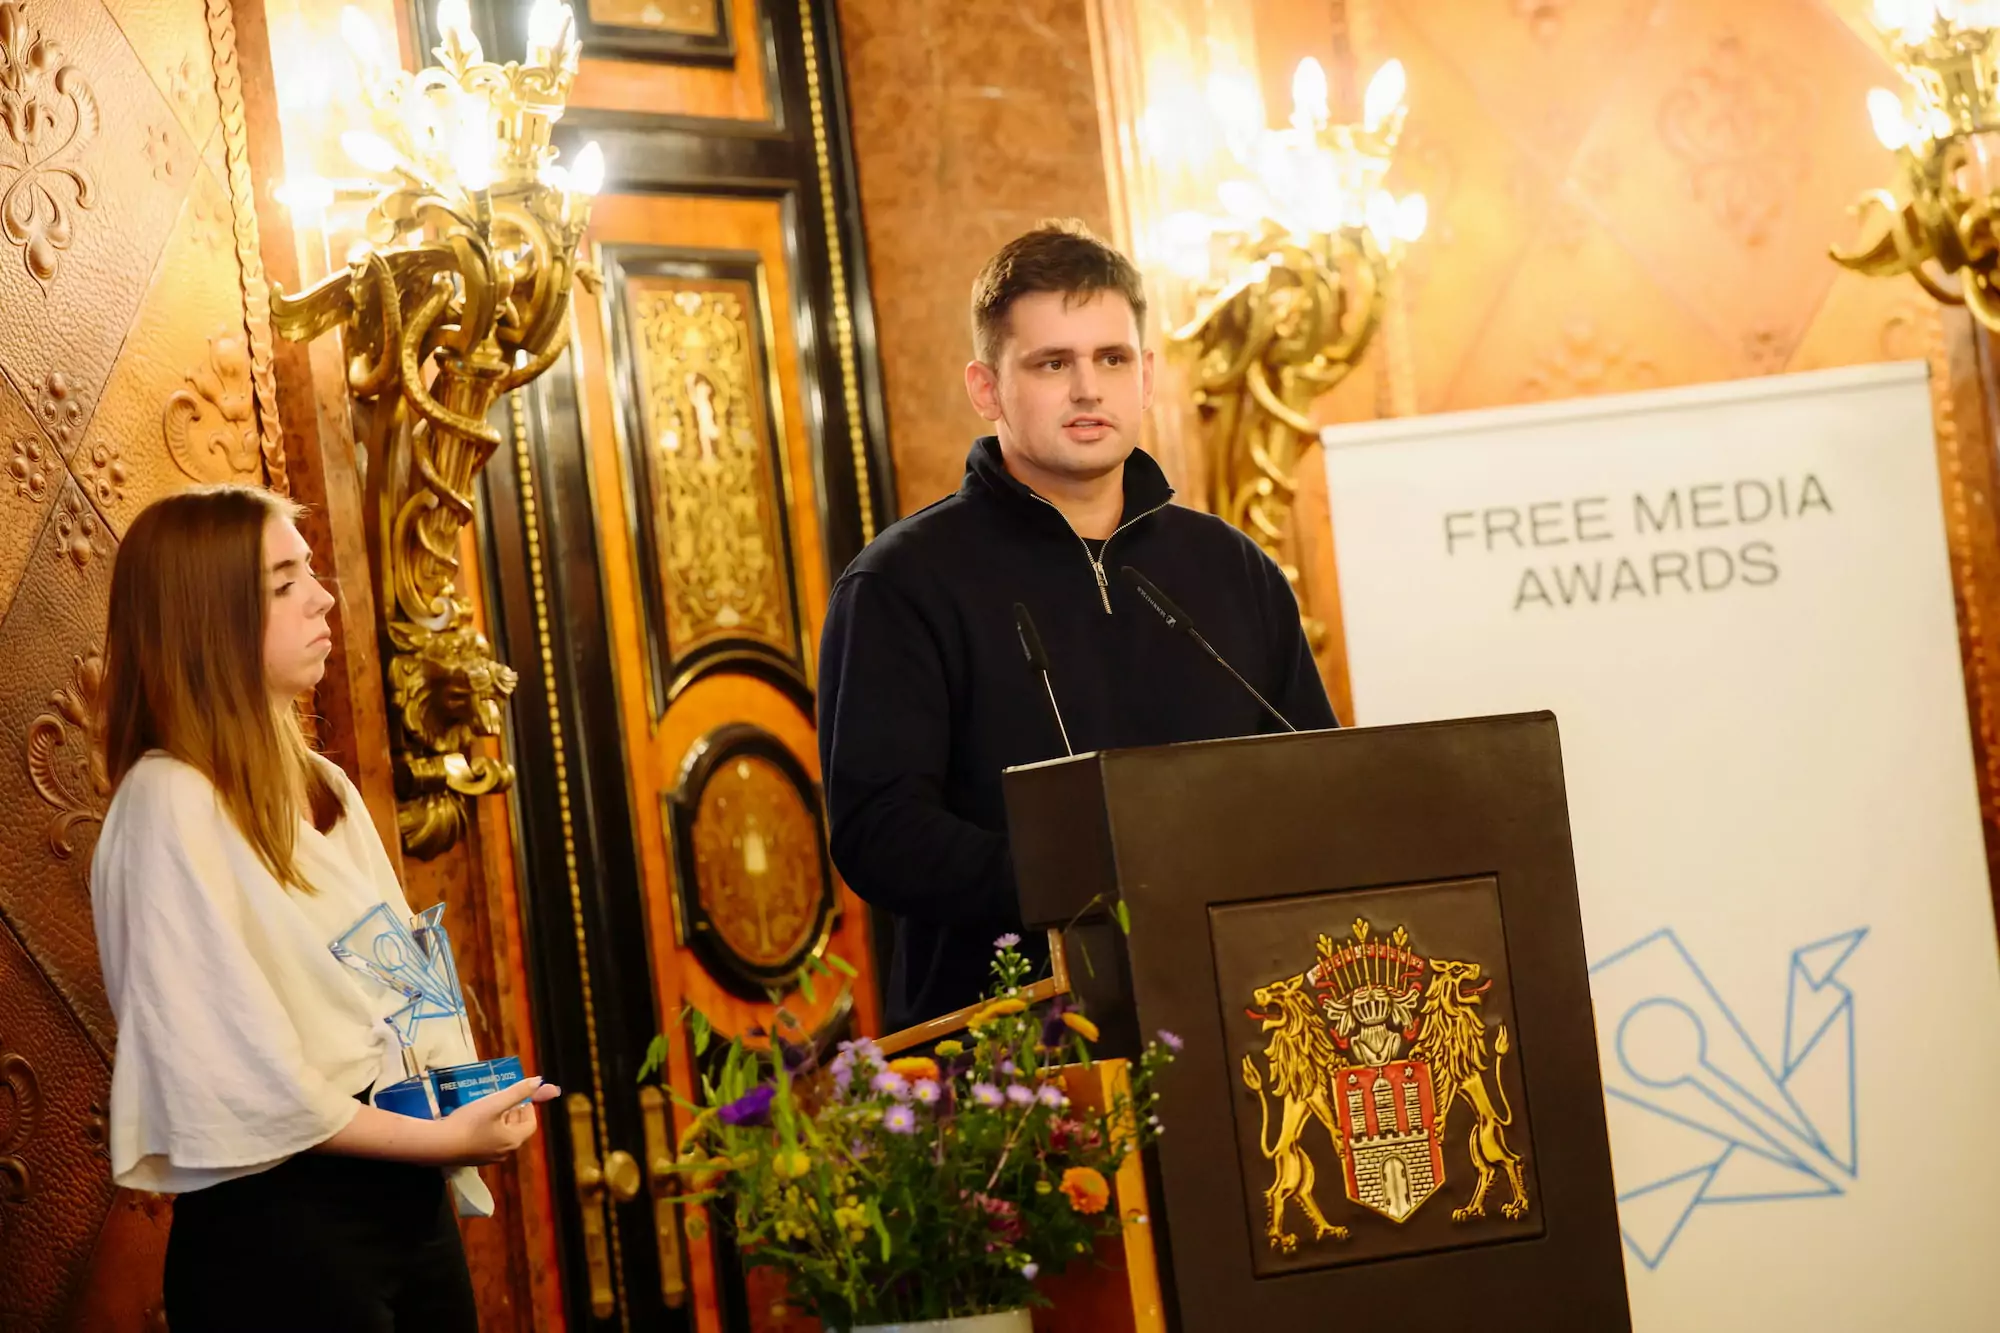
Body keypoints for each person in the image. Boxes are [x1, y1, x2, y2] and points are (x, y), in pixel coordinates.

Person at [818, 220, 1337, 1031]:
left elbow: (1317, 788)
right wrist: (1092, 878)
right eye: (1053, 363)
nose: (1088, 389)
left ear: (1148, 375)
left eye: (1112, 358)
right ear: (987, 388)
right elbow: (879, 832)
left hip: (1246, 1021)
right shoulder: (902, 582)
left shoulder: (1233, 569)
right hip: (1012, 1059)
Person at [90, 485, 559, 1332]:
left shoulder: (324, 783)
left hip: (406, 1202)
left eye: (309, 570)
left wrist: (467, 1097)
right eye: (282, 583)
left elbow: (403, 992)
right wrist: (447, 1141)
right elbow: (238, 1080)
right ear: (207, 618)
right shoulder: (167, 800)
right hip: (283, 1233)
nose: (324, 595)